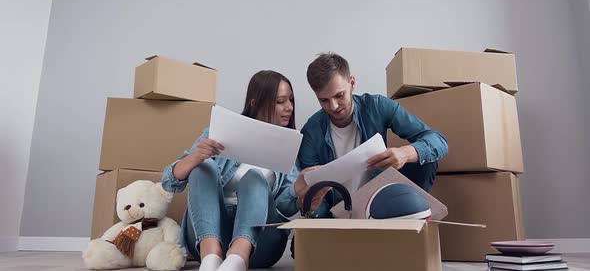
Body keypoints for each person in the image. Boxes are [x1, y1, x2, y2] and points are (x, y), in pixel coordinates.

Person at [161, 70, 301, 271]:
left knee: (254, 177)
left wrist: (299, 188)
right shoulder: (218, 133)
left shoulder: (288, 147)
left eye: (291, 100)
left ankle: (238, 258)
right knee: (204, 167)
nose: (289, 108)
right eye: (280, 101)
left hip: (259, 244)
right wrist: (195, 158)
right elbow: (168, 181)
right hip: (209, 234)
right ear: (256, 103)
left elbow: (285, 208)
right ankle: (211, 257)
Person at [292, 53, 449, 218]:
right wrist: (311, 208)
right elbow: (313, 200)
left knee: (424, 161)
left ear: (352, 83)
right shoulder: (310, 131)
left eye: (339, 95)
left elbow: (438, 141)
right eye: (324, 100)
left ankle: (413, 216)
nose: (334, 106)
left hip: (383, 200)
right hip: (338, 211)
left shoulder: (377, 106)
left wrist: (404, 153)